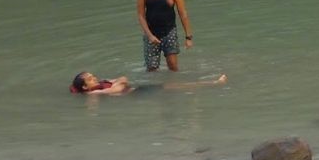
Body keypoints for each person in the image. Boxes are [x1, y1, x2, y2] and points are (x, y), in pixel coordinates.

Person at [136, 0, 194, 72]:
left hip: (169, 31)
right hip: (151, 32)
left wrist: (188, 37)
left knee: (173, 66)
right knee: (151, 69)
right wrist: (150, 35)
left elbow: (183, 13)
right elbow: (140, 15)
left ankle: (174, 87)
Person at [69, 72, 228, 95]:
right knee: (176, 87)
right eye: (90, 79)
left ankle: (212, 83)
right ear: (85, 87)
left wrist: (120, 83)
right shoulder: (94, 93)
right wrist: (118, 84)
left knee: (174, 87)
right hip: (137, 94)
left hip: (136, 90)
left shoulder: (100, 84)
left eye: (92, 75)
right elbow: (118, 87)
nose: (94, 78)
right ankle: (214, 83)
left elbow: (123, 79)